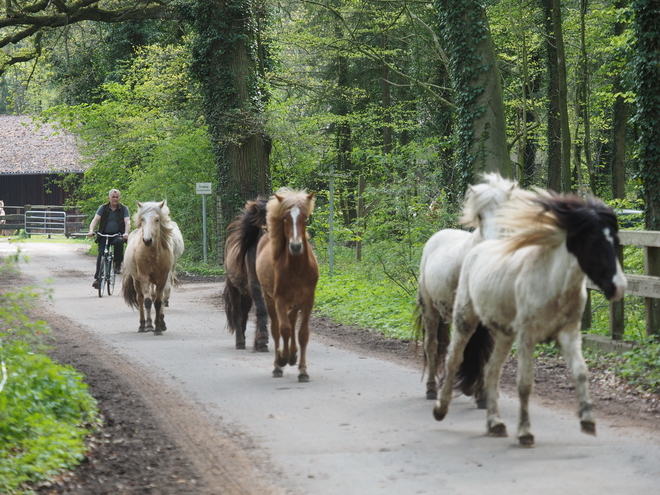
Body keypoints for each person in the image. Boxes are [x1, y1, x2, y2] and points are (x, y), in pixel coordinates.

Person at [88, 189, 131, 288]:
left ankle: (117, 263)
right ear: (109, 198)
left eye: (117, 197)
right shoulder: (103, 208)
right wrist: (91, 230)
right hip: (103, 234)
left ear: (119, 198)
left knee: (119, 243)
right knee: (101, 255)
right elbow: (95, 220)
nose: (115, 199)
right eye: (113, 197)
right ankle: (98, 279)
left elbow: (127, 222)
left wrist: (126, 233)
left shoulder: (124, 209)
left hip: (117, 234)